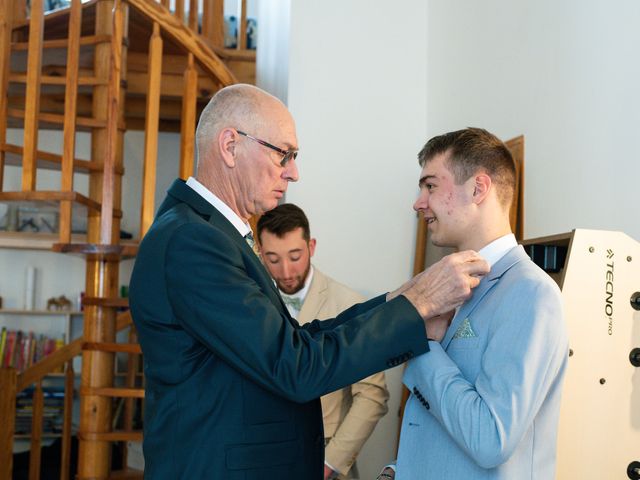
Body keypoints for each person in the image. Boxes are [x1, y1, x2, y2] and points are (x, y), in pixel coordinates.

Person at [129, 84, 489, 479]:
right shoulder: (193, 240)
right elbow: (294, 365)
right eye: (283, 153)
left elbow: (294, 340)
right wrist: (416, 305)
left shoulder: (207, 232)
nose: (294, 172)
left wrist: (397, 301)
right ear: (230, 145)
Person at [381, 128, 569, 480]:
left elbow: (490, 439)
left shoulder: (530, 294)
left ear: (478, 189)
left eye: (431, 186)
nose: (418, 202)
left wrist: (424, 345)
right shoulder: (452, 286)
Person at [257, 203, 389, 480]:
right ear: (259, 252)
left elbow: (371, 395)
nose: (285, 271)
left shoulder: (349, 304)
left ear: (311, 247)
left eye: (295, 256)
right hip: (260, 456)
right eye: (273, 258)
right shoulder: (250, 303)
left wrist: (329, 463)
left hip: (325, 458)